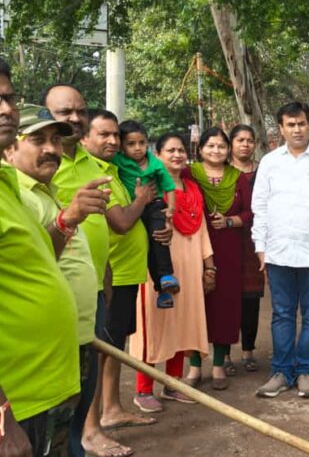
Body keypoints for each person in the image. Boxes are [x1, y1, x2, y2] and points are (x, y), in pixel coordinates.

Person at [45, 85, 131, 456]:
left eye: (80, 111)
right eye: (65, 113)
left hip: (93, 285)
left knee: (88, 375)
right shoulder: (43, 163)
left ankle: (88, 432)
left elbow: (103, 225)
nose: (75, 119)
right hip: (56, 292)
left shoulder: (92, 162)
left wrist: (105, 272)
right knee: (60, 395)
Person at [0, 59, 80, 456]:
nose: (5, 109)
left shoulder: (7, 185)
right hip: (17, 402)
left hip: (48, 387)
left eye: (8, 97)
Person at [81, 109, 170, 432]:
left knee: (115, 346)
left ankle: (112, 408)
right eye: (103, 134)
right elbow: (121, 222)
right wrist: (143, 199)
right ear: (84, 137)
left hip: (128, 273)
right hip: (112, 274)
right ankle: (91, 429)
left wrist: (160, 229)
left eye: (114, 135)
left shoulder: (113, 170)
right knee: (101, 350)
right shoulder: (92, 173)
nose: (112, 140)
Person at [252, 102, 309, 399]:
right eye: (290, 125)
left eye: (301, 123)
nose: (297, 129)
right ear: (281, 128)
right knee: (282, 315)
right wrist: (260, 248)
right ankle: (281, 371)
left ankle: (305, 372)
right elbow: (260, 207)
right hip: (278, 253)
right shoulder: (269, 162)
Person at [129, 132, 214, 410]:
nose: (177, 155)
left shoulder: (192, 189)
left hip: (189, 265)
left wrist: (208, 265)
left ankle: (173, 383)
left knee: (182, 323)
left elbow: (201, 228)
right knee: (154, 325)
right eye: (170, 151)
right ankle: (143, 389)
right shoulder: (149, 189)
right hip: (157, 266)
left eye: (180, 150)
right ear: (158, 155)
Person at [185, 127, 252, 391]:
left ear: (228, 150)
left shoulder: (238, 178)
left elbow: (250, 213)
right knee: (196, 304)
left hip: (228, 247)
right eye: (210, 146)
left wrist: (229, 221)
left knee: (224, 306)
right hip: (193, 245)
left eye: (221, 146)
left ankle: (219, 364)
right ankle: (194, 365)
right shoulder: (190, 174)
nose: (216, 150)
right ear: (200, 149)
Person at [114, 120, 179, 307]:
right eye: (131, 144)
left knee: (158, 237)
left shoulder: (155, 163)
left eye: (142, 143)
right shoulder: (118, 160)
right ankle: (161, 290)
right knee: (147, 246)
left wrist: (171, 210)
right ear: (122, 146)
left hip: (154, 206)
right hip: (132, 208)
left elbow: (169, 187)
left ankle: (166, 278)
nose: (137, 148)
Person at [225, 124, 265, 374]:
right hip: (228, 238)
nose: (245, 145)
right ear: (231, 144)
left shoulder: (263, 171)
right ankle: (225, 354)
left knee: (251, 300)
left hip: (254, 243)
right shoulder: (222, 172)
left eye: (250, 140)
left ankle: (248, 351)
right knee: (227, 299)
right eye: (240, 140)